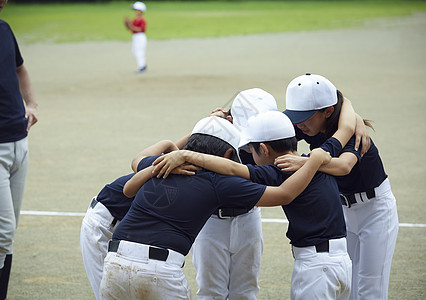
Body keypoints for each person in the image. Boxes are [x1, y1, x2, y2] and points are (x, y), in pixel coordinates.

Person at [98, 116, 332, 299]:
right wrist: (315, 160)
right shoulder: (219, 182)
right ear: (228, 154)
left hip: (114, 262)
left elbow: (131, 181)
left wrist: (171, 148)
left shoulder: (162, 164)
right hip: (160, 271)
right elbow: (284, 194)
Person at [153, 111, 353, 300]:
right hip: (342, 260)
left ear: (264, 149)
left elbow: (233, 168)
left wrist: (187, 155)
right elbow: (346, 129)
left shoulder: (278, 171)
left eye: (251, 151)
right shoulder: (322, 156)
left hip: (316, 266)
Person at [279, 73, 399, 300]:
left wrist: (304, 162)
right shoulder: (308, 127)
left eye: (305, 116)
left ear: (328, 111)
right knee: (349, 287)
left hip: (375, 210)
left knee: (370, 290)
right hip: (342, 210)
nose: (299, 123)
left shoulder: (353, 131)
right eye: (296, 116)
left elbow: (344, 166)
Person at [0, 0, 39, 299]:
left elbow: (20, 68)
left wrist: (32, 104)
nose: (1, 1)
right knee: (0, 233)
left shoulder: (3, 28)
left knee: (7, 233)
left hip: (19, 142)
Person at [80, 136, 189, 299]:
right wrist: (175, 145)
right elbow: (164, 148)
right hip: (100, 226)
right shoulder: (167, 165)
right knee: (106, 294)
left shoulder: (173, 165)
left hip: (121, 229)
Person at [194, 88, 278, 299]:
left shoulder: (272, 135)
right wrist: (210, 124)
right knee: (209, 291)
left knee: (246, 291)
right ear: (229, 119)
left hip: (248, 217)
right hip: (211, 220)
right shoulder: (211, 135)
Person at [124, 1, 147, 73]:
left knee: (139, 52)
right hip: (135, 37)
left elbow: (140, 29)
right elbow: (130, 28)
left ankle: (142, 66)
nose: (136, 12)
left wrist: (130, 25)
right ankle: (143, 65)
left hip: (140, 36)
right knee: (134, 51)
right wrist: (127, 23)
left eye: (137, 10)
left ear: (141, 11)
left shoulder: (142, 20)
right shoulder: (135, 19)